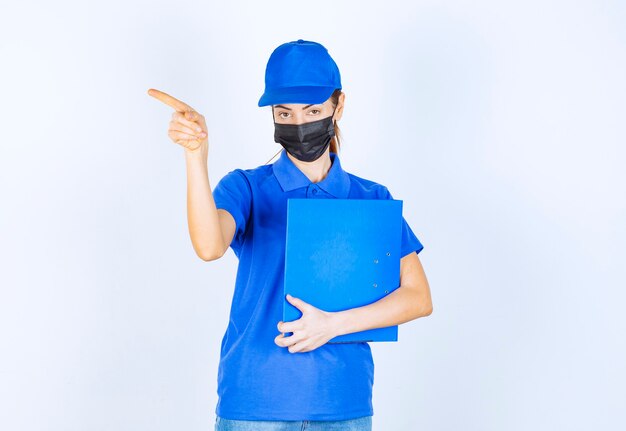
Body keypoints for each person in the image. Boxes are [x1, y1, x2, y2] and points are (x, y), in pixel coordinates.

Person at [148, 39, 432, 431]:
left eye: (313, 110)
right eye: (285, 112)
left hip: (342, 403)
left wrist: (333, 325)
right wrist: (196, 156)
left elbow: (418, 297)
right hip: (255, 401)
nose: (299, 124)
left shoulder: (371, 198)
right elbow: (209, 246)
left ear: (339, 106)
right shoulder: (246, 187)